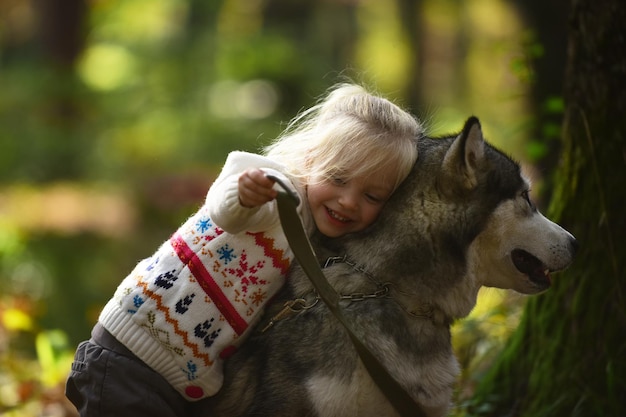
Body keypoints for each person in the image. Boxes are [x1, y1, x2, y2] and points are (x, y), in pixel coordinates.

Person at [65, 83, 422, 417]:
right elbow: (226, 212)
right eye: (338, 178)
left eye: (372, 196)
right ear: (312, 159)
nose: (348, 201)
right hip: (130, 355)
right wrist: (245, 193)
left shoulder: (319, 235)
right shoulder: (278, 192)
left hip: (177, 381)